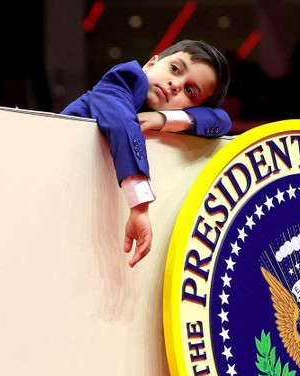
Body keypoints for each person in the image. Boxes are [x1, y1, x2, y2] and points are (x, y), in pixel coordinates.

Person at [62, 39, 231, 268]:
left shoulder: (161, 114)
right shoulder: (126, 78)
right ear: (151, 64)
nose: (175, 84)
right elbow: (123, 125)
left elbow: (222, 121)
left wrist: (163, 119)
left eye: (189, 91)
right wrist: (140, 206)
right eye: (175, 69)